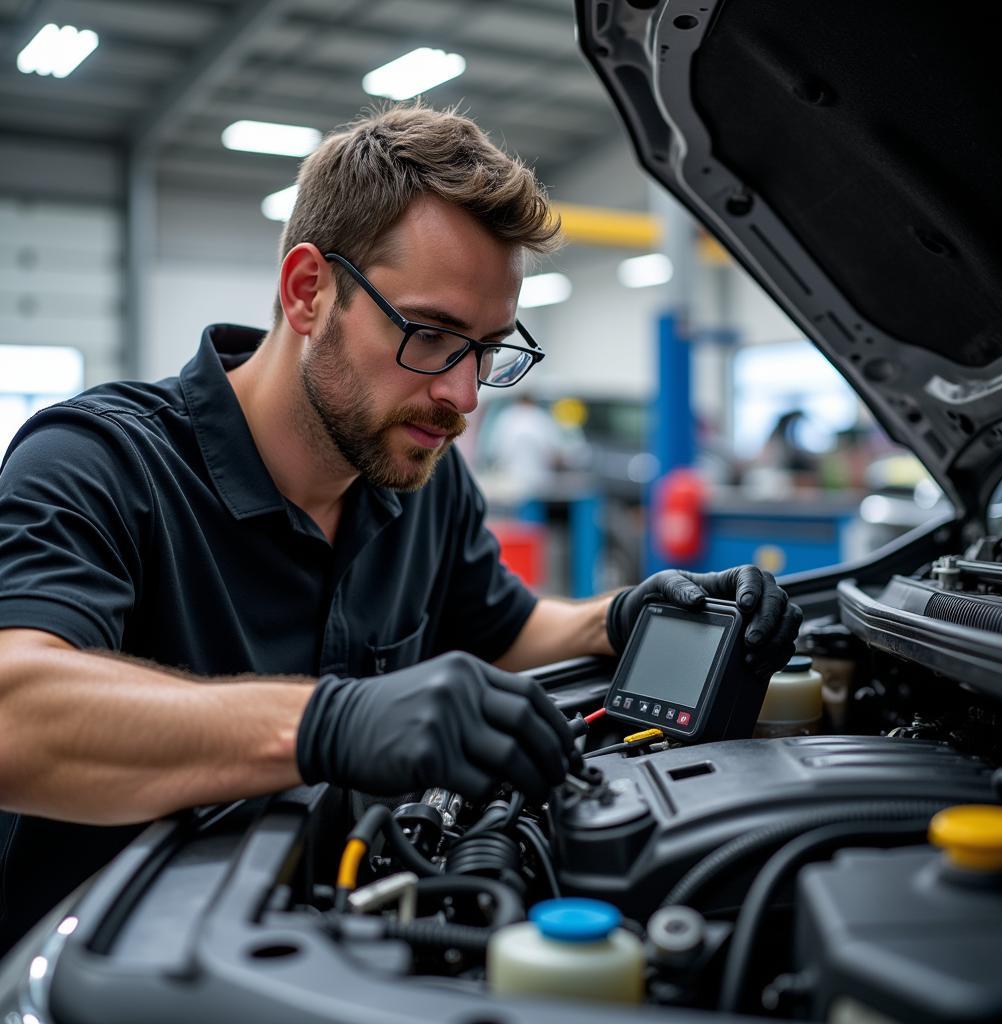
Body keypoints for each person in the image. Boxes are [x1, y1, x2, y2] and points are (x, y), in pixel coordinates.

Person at [0, 104, 801, 954]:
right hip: (96, 968)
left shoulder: (418, 472)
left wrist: (617, 619)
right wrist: (330, 724)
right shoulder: (97, 462)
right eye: (431, 335)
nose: (461, 397)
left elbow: (501, 628)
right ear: (309, 291)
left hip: (331, 939)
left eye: (488, 350)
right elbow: (17, 714)